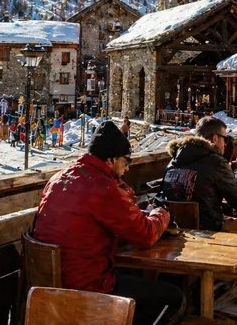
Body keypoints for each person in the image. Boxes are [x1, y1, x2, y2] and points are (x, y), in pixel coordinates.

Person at [33, 122, 182, 325]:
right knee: (172, 298)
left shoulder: (58, 179)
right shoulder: (103, 187)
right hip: (88, 289)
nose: (128, 168)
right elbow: (144, 235)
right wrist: (161, 214)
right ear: (111, 159)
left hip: (48, 286)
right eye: (126, 161)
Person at [163, 116, 237, 232]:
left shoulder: (173, 161)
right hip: (209, 230)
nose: (225, 144)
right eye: (225, 139)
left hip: (175, 229)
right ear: (215, 138)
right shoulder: (216, 162)